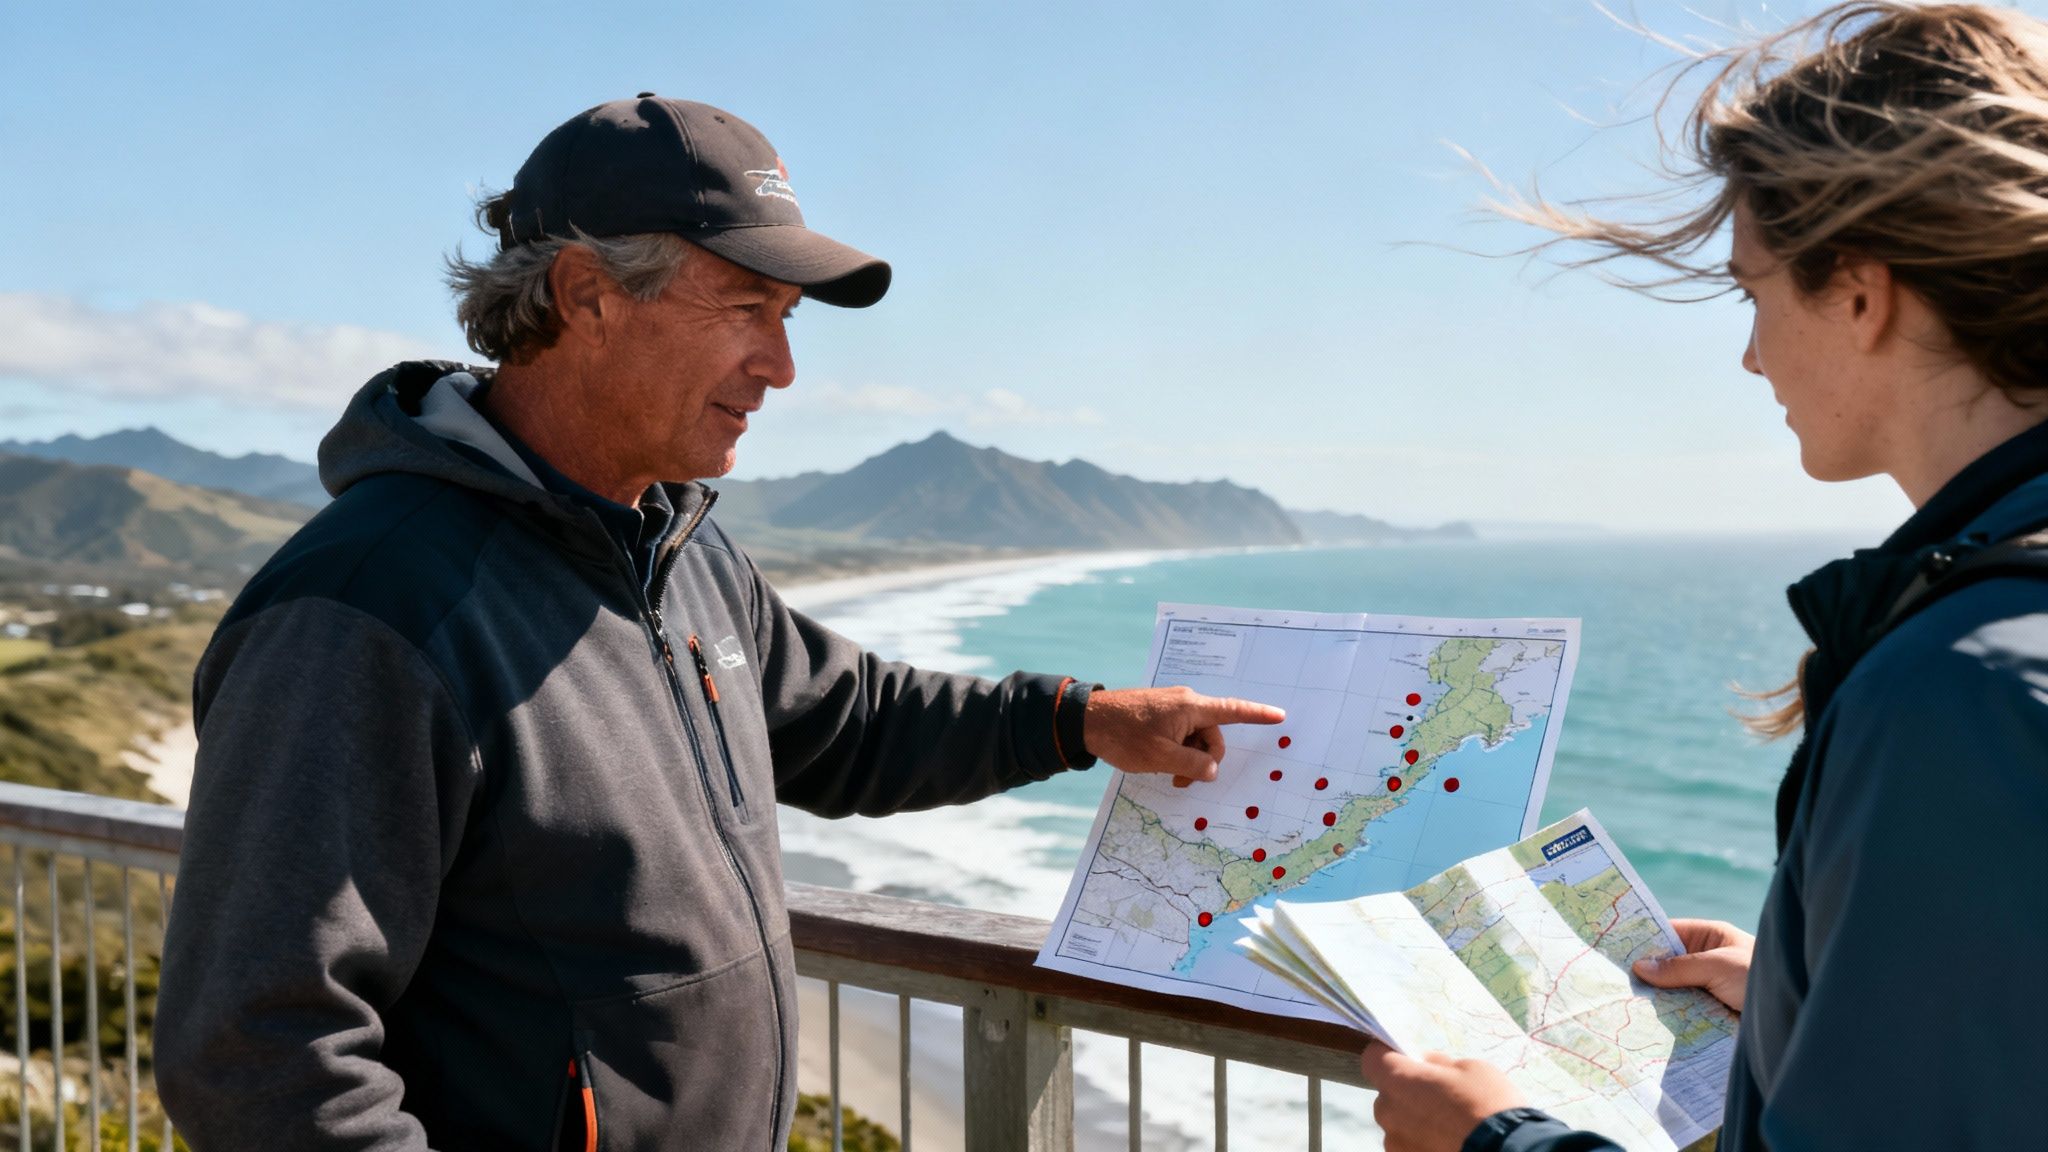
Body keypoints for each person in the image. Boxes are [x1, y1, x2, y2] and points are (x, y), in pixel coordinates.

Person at [152, 95, 1283, 1151]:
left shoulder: (673, 547)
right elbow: (259, 1051)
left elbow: (847, 724)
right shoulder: (363, 612)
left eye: (786, 318)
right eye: (744, 307)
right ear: (586, 295)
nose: (781, 367)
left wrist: (1079, 721)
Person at [1358, 4, 2048, 1150]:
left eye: (1752, 292)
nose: (1748, 353)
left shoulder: (1955, 695)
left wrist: (1491, 1141)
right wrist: (1800, 982)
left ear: (1860, 294)